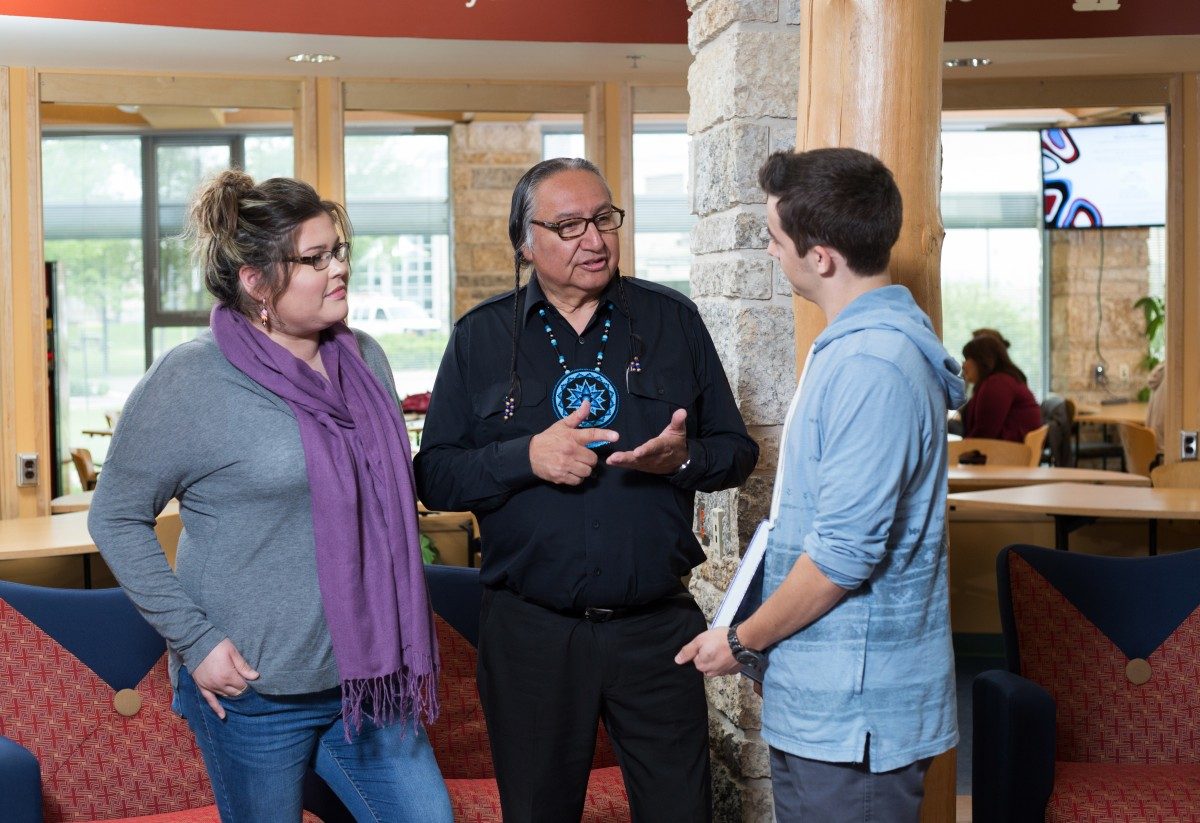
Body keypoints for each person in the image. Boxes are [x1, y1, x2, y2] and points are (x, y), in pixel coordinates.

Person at [88, 170, 453, 822]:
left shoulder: (363, 358)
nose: (338, 268)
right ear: (256, 282)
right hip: (256, 694)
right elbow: (115, 515)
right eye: (315, 259)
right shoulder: (190, 378)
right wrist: (194, 641)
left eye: (339, 250)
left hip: (369, 683)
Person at [413, 157, 758, 822]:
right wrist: (526, 456)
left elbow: (737, 451)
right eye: (569, 225)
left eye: (604, 219)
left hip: (657, 630)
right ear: (526, 240)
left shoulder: (671, 321)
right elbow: (437, 473)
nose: (594, 239)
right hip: (532, 633)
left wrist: (681, 462)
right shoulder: (482, 336)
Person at [676, 148, 965, 822]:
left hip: (855, 714)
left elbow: (843, 555)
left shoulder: (873, 364)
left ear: (823, 257)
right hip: (825, 701)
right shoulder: (854, 346)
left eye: (777, 240)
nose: (773, 254)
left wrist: (742, 638)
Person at [960, 333, 1042, 442]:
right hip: (1013, 452)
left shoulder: (997, 383)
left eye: (967, 358)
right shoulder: (1005, 379)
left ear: (981, 360)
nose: (963, 365)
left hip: (1005, 454)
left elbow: (983, 436)